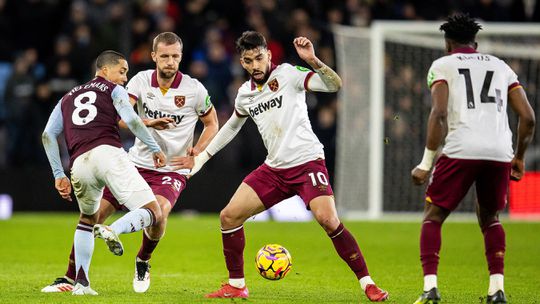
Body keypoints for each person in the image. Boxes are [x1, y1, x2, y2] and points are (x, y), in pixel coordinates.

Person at [172, 31, 389, 302]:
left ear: (269, 55)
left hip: (307, 162)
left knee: (328, 220)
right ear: (242, 61)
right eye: (249, 60)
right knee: (228, 217)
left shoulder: (288, 74)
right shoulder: (245, 94)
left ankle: (368, 283)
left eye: (259, 58)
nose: (255, 65)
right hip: (274, 170)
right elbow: (230, 129)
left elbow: (334, 85)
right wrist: (202, 159)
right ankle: (237, 285)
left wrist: (313, 60)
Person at [41, 32, 218, 293]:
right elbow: (124, 119)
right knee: (94, 215)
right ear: (154, 56)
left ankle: (142, 259)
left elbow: (212, 123)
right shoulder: (139, 81)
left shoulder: (194, 89)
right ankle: (71, 277)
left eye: (176, 56)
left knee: (160, 213)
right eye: (165, 56)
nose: (170, 61)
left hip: (171, 168)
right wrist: (150, 126)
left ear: (181, 57)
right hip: (134, 161)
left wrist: (197, 152)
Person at [411, 14, 535, 304]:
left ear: (448, 45)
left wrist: (426, 164)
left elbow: (438, 114)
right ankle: (497, 290)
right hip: (499, 152)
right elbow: (528, 117)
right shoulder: (501, 66)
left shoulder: (442, 65)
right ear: (475, 44)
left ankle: (430, 289)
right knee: (490, 218)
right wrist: (518, 157)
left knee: (433, 216)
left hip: (461, 149)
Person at [42, 50, 168, 295]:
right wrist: (154, 148)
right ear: (104, 70)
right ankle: (113, 230)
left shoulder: (67, 97)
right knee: (154, 212)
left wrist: (58, 173)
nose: (124, 78)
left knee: (87, 220)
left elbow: (48, 135)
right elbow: (131, 120)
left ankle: (81, 284)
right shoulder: (112, 89)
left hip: (79, 164)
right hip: (108, 154)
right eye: (122, 71)